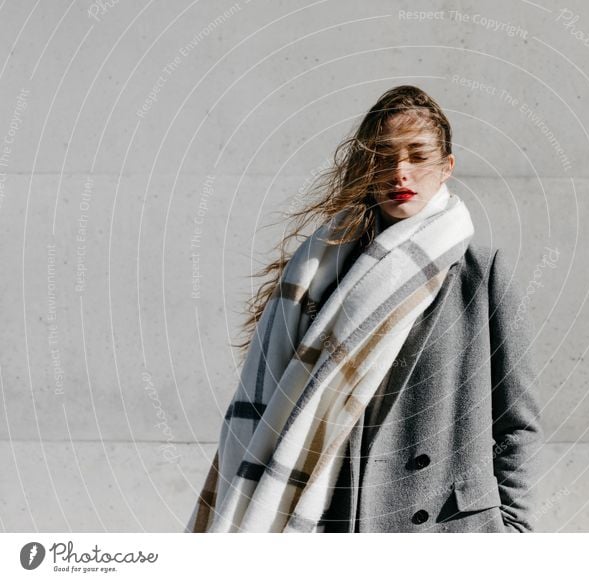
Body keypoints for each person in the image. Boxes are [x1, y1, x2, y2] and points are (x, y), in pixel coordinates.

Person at [185, 85, 541, 533]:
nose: (400, 172)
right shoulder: (320, 273)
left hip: (450, 528)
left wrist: (515, 530)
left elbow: (515, 423)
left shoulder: (481, 274)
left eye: (417, 155)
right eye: (384, 156)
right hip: (338, 520)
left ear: (447, 167)